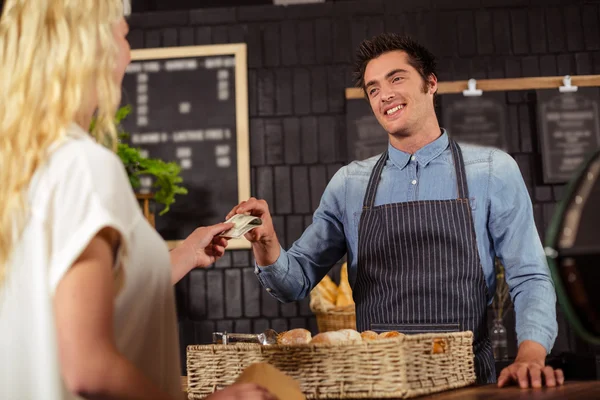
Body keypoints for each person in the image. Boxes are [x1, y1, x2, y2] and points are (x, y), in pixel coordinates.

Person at [227, 33, 564, 388]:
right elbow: (293, 283)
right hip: (375, 384)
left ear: (430, 84)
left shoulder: (493, 170)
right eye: (373, 89)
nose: (384, 94)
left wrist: (530, 355)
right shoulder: (349, 184)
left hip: (467, 381)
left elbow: (530, 277)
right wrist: (265, 243)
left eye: (396, 78)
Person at [0, 1, 274, 399]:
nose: (128, 51)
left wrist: (185, 255)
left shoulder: (24, 167)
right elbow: (88, 369)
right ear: (89, 45)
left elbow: (84, 300)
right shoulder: (84, 164)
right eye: (123, 34)